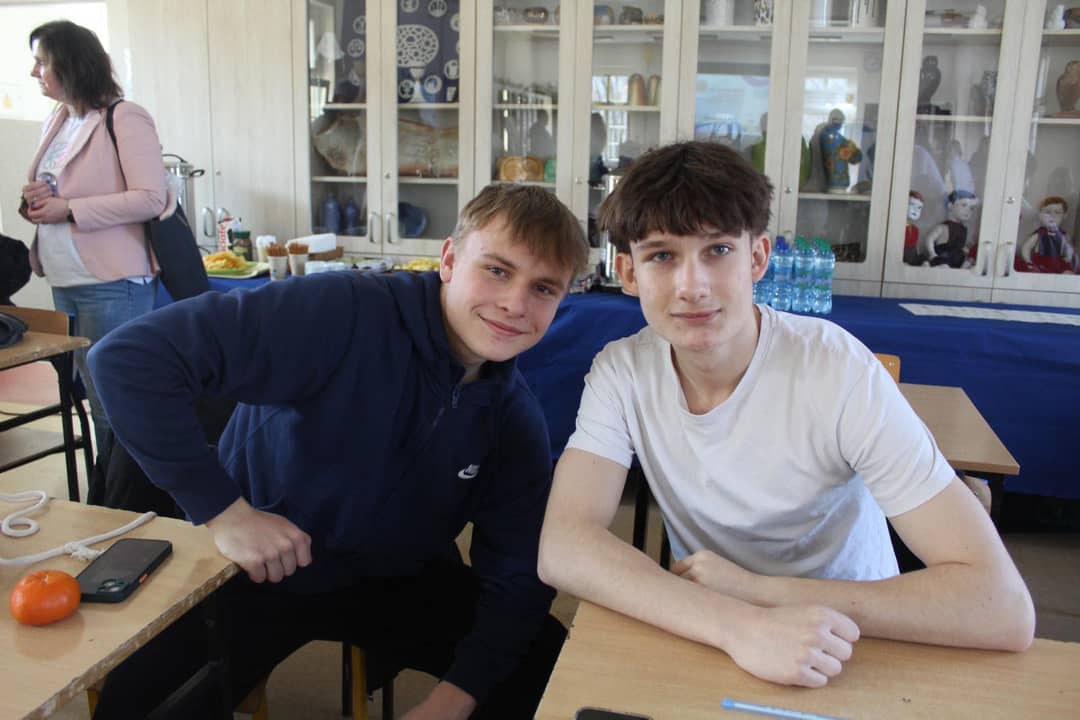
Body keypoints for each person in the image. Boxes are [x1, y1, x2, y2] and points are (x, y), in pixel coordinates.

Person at [537, 141, 1034, 690]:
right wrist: (740, 625)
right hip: (716, 632)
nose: (692, 287)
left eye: (718, 250)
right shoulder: (622, 371)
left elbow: (1002, 607)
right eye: (661, 256)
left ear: (758, 258)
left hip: (860, 643)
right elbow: (563, 545)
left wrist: (759, 594)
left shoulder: (838, 370)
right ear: (628, 273)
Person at [86, 183, 589, 719]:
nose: (515, 304)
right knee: (138, 705)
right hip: (258, 565)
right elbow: (125, 359)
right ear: (448, 260)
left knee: (554, 674)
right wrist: (225, 513)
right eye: (497, 270)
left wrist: (452, 701)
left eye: (543, 288)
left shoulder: (513, 418)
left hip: (397, 576)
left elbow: (516, 576)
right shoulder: (341, 310)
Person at [19, 20, 167, 456]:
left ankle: (129, 489)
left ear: (71, 63)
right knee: (92, 396)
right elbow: (62, 192)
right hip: (65, 275)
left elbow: (150, 198)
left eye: (42, 62)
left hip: (113, 281)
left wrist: (69, 209)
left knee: (114, 401)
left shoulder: (125, 116)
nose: (34, 72)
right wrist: (36, 201)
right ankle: (107, 483)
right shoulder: (58, 118)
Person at [1015, 196, 1079, 274]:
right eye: (1048, 212)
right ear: (1040, 215)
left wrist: (1069, 256)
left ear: (1064, 215)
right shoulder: (1040, 234)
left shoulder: (1064, 235)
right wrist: (1028, 261)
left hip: (1059, 263)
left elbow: (1069, 248)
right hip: (1041, 262)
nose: (1052, 216)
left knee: (1068, 272)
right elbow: (1026, 247)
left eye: (1057, 212)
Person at [927, 190, 979, 268]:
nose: (968, 210)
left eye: (971, 208)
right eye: (964, 205)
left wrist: (969, 252)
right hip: (943, 257)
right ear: (950, 205)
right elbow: (930, 239)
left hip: (957, 262)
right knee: (943, 265)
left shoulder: (963, 229)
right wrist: (932, 253)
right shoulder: (943, 227)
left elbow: (961, 246)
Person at [902, 190, 928, 266]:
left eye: (919, 207)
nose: (916, 210)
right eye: (912, 204)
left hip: (912, 257)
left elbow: (916, 247)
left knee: (924, 260)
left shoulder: (915, 229)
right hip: (902, 256)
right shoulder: (898, 227)